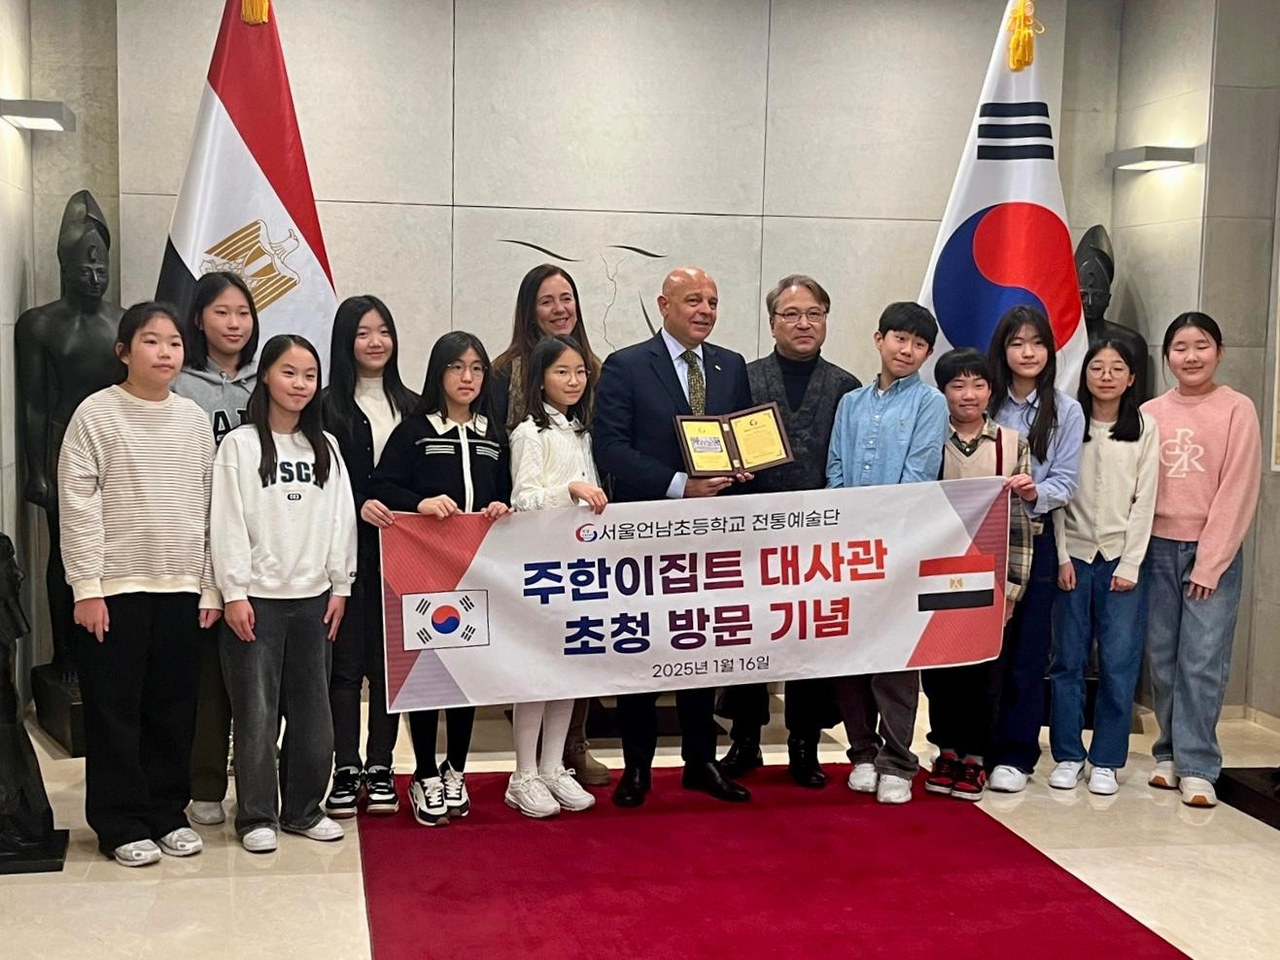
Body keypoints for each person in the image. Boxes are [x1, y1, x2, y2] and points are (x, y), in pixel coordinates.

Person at [58, 301, 221, 866]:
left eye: (174, 343)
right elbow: (77, 507)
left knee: (173, 708)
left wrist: (209, 586)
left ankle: (166, 813)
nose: (165, 353)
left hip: (181, 589)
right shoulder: (96, 416)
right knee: (114, 710)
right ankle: (120, 821)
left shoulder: (194, 420)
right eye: (151, 342)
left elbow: (208, 512)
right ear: (124, 351)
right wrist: (87, 588)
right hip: (115, 589)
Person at [594, 266, 754, 808]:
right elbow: (610, 448)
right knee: (646, 647)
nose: (705, 310)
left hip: (714, 535)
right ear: (665, 305)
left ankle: (701, 761)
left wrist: (743, 466)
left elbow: (740, 435)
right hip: (648, 532)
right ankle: (636, 765)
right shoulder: (627, 365)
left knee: (701, 647)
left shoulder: (730, 366)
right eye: (693, 300)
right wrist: (679, 486)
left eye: (712, 300)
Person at [212, 334, 356, 853]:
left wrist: (341, 585)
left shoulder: (328, 447)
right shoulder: (240, 445)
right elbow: (224, 522)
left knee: (314, 715)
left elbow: (341, 520)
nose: (300, 384)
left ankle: (302, 809)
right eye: (289, 372)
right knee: (255, 714)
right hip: (257, 601)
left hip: (315, 599)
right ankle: (255, 816)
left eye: (309, 375)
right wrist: (234, 591)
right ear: (266, 376)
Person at [716, 275, 860, 788]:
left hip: (817, 535)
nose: (803, 323)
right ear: (771, 321)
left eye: (814, 313)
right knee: (747, 634)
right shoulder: (742, 378)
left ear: (826, 319)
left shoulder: (847, 387)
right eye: (791, 314)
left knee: (809, 638)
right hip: (751, 532)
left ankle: (803, 743)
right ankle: (745, 740)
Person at [369, 332, 512, 826]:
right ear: (438, 374)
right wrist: (419, 504)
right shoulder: (413, 431)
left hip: (477, 571)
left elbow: (507, 492)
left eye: (476, 368)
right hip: (425, 573)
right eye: (456, 367)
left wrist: (500, 507)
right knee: (430, 673)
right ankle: (425, 773)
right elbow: (380, 487)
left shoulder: (495, 434)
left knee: (467, 674)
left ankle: (456, 768)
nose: (467, 377)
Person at [491, 265, 609, 786]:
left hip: (582, 558)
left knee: (570, 662)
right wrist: (568, 492)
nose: (559, 308)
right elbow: (523, 488)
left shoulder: (588, 402)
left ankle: (558, 760)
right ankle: (526, 772)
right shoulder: (508, 384)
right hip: (533, 550)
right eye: (547, 300)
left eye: (567, 298)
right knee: (534, 665)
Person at [827, 302, 948, 804]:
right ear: (879, 339)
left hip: (899, 547)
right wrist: (844, 527)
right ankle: (862, 750)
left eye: (919, 344)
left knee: (896, 657)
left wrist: (883, 536)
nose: (908, 350)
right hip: (846, 547)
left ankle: (899, 759)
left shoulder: (930, 404)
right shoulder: (851, 402)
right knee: (850, 651)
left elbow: (919, 475)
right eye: (900, 339)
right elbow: (835, 466)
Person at [1141, 313, 1261, 808]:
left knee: (1202, 660)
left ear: (1220, 351)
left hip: (1211, 549)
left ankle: (1197, 765)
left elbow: (1239, 488)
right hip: (1155, 547)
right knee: (1163, 658)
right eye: (1180, 347)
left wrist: (1210, 562)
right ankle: (1168, 753)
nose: (1190, 357)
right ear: (1167, 355)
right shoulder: (1149, 411)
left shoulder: (1237, 409)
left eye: (1202, 346)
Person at [921, 348, 1035, 802]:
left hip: (989, 579)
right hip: (937, 575)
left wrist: (1012, 588)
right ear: (943, 391)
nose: (968, 395)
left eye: (978, 385)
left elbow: (1022, 522)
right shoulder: (930, 440)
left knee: (986, 671)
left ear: (992, 390)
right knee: (940, 670)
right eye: (956, 385)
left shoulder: (1012, 442)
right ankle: (945, 749)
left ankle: (974, 758)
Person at [1047, 339, 1159, 796]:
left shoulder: (1146, 428)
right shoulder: (1067, 422)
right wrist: (1059, 556)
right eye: (1097, 367)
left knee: (1118, 662)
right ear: (1084, 374)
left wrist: (1130, 562)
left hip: (1120, 559)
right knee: (1067, 661)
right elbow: (1055, 491)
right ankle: (1069, 755)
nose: (1107, 376)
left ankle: (1108, 759)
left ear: (1131, 378)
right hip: (1072, 557)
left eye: (1118, 368)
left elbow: (1145, 499)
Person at [321, 296, 418, 819]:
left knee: (389, 665)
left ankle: (381, 765)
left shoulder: (414, 402)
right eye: (363, 333)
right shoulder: (325, 404)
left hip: (404, 553)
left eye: (384, 330)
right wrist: (358, 506)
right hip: (343, 552)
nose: (376, 341)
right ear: (345, 342)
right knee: (345, 664)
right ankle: (346, 766)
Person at [171, 271, 260, 828]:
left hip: (262, 550)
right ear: (200, 318)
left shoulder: (268, 381)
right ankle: (203, 783)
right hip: (193, 546)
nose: (234, 323)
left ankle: (256, 777)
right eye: (222, 312)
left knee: (256, 672)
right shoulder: (178, 384)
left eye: (243, 313)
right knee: (205, 681)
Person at [985, 305, 1085, 794]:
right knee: (980, 649)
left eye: (1038, 343)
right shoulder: (983, 401)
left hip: (1034, 539)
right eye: (1018, 342)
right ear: (1002, 349)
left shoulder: (1066, 410)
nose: (1028, 352)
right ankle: (973, 746)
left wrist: (1032, 492)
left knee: (1027, 650)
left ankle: (1017, 754)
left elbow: (1065, 484)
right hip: (979, 541)